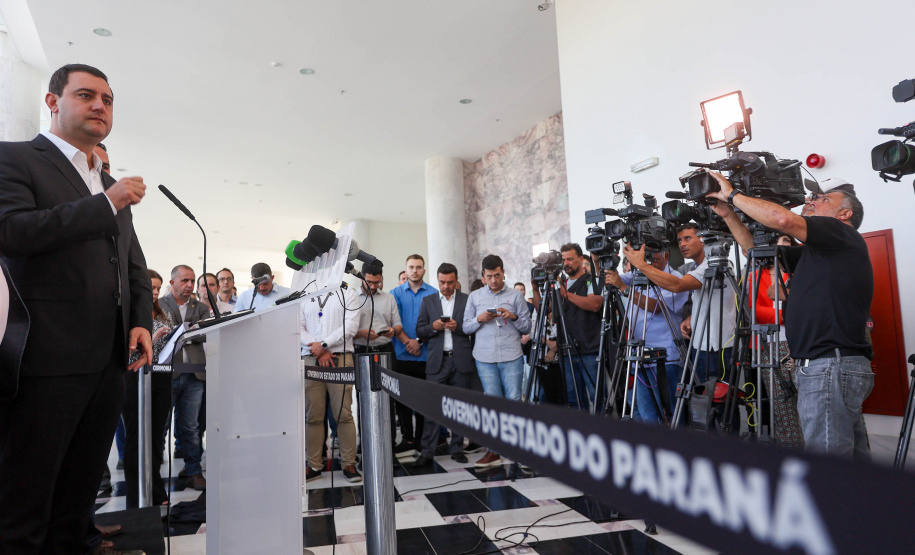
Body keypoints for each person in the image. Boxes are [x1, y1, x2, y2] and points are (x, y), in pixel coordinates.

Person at [0, 64, 153, 554]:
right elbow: (14, 233)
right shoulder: (16, 159)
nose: (99, 106)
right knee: (27, 495)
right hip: (47, 357)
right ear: (52, 102)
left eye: (107, 99)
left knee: (80, 489)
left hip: (108, 358)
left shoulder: (106, 180)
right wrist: (104, 203)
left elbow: (133, 263)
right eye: (86, 95)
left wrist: (140, 321)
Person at [705, 174, 873, 457]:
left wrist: (733, 195)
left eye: (823, 199)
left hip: (829, 364)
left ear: (845, 214)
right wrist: (729, 215)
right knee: (851, 460)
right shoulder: (819, 252)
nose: (812, 200)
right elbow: (755, 253)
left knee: (828, 465)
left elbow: (783, 220)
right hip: (829, 364)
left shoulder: (840, 232)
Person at [463, 254, 532, 467]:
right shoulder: (474, 297)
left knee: (513, 401)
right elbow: (465, 327)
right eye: (490, 276)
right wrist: (479, 319)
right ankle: (494, 451)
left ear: (503, 273)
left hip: (512, 354)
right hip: (484, 357)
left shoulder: (516, 296)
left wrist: (511, 316)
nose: (494, 280)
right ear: (483, 276)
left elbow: (527, 327)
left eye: (498, 275)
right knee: (492, 404)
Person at [605, 248, 688, 424]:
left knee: (672, 413)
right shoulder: (637, 275)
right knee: (647, 413)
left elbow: (656, 306)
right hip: (640, 356)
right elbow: (610, 281)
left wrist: (624, 288)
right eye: (645, 257)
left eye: (654, 258)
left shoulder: (675, 280)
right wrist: (602, 260)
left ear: (666, 255)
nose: (649, 263)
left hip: (667, 359)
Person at [413, 264, 475, 466]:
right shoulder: (428, 301)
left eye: (450, 282)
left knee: (459, 407)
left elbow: (474, 328)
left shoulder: (467, 300)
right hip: (437, 361)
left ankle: (457, 448)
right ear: (437, 280)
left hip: (461, 359)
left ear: (456, 280)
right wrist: (433, 327)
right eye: (442, 282)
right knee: (432, 407)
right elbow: (420, 330)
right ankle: (427, 451)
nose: (446, 286)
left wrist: (458, 327)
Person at [300, 285, 362, 483]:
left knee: (343, 414)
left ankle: (348, 463)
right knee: (313, 416)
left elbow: (351, 326)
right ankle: (314, 465)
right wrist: (318, 349)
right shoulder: (305, 293)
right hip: (310, 358)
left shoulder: (348, 293)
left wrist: (324, 344)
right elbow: (297, 327)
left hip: (341, 358)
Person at [123, 270, 174, 508]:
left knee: (156, 438)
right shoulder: (131, 313)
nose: (155, 293)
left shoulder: (162, 312)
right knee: (137, 437)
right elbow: (129, 349)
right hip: (135, 376)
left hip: (160, 377)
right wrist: (151, 339)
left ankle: (155, 489)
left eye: (158, 288)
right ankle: (136, 495)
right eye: (151, 288)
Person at [532, 244, 603, 410]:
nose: (566, 263)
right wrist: (536, 289)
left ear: (580, 259)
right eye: (563, 260)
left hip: (590, 349)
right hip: (566, 351)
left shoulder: (593, 280)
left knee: (597, 396)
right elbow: (543, 310)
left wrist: (566, 294)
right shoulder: (558, 284)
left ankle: (602, 433)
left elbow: (594, 304)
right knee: (573, 399)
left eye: (570, 259)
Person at [159, 265, 210, 490]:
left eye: (192, 281)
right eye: (185, 281)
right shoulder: (159, 305)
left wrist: (179, 334)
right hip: (167, 374)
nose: (190, 285)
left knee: (191, 427)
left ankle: (194, 472)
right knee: (161, 425)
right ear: (173, 283)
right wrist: (187, 331)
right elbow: (162, 333)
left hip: (195, 374)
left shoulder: (200, 306)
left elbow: (205, 332)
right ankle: (153, 471)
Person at [752, 234, 803, 448]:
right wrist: (790, 313)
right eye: (777, 241)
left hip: (802, 343)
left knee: (811, 402)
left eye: (786, 240)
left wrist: (783, 311)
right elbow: (754, 312)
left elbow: (813, 305)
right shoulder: (755, 276)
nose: (781, 245)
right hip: (771, 345)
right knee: (782, 405)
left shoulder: (801, 272)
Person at [391, 255, 438, 455]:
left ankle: (420, 439)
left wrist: (418, 342)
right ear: (406, 269)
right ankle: (408, 439)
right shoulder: (394, 294)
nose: (415, 270)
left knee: (422, 401)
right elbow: (393, 322)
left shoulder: (434, 294)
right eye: (411, 267)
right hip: (401, 354)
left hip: (425, 354)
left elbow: (436, 325)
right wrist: (408, 343)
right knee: (401, 401)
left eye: (419, 267)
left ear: (424, 271)